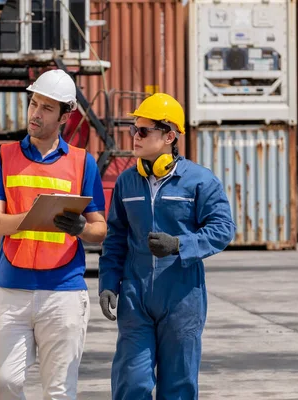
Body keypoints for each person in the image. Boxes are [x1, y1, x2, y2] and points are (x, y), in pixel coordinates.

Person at [98, 93, 235, 399]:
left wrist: (180, 245)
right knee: (131, 383)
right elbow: (116, 236)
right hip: (136, 297)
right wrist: (108, 282)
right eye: (134, 129)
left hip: (182, 297)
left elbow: (224, 229)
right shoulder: (126, 182)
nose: (135, 136)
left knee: (178, 388)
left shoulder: (199, 181)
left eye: (143, 131)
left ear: (169, 136)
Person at [0, 69, 107, 400]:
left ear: (66, 115)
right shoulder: (3, 158)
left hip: (63, 293)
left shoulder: (83, 163)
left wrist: (81, 228)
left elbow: (100, 230)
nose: (35, 114)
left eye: (47, 108)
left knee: (59, 393)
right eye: (34, 104)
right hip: (11, 290)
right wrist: (31, 218)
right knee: (3, 380)